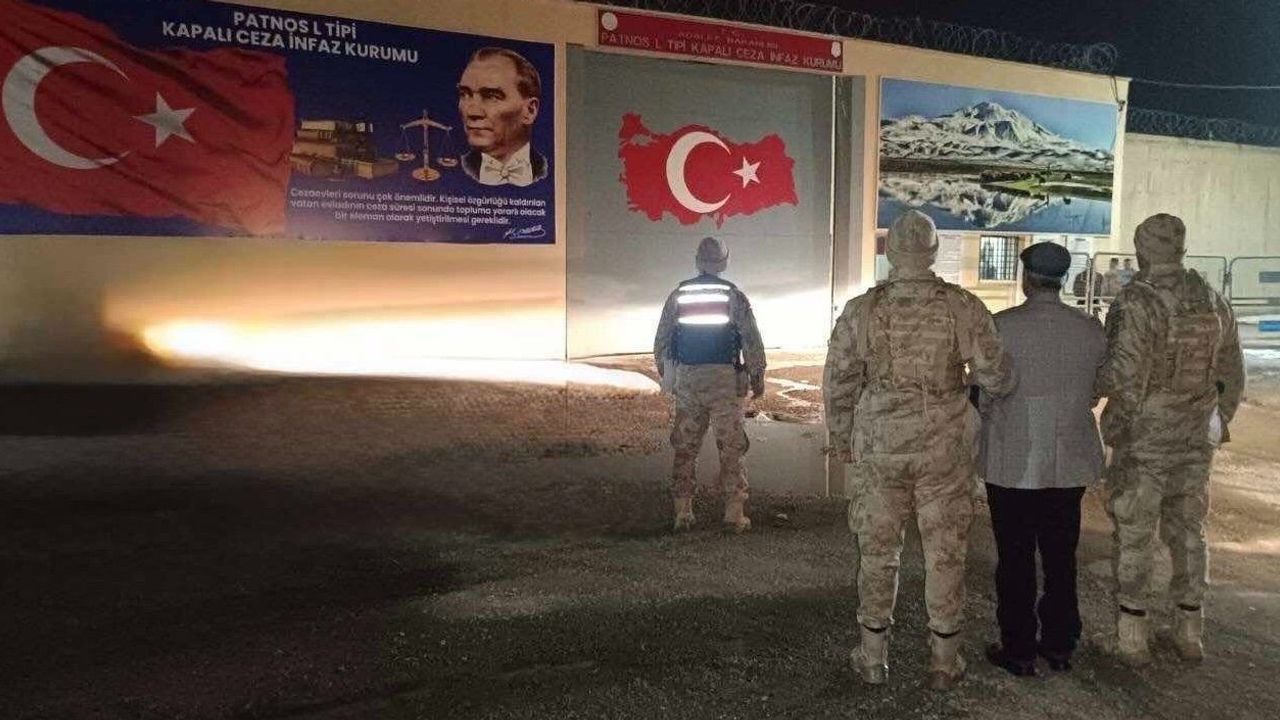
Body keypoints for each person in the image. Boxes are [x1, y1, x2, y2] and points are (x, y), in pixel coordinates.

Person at [824, 210, 1014, 689]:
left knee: (877, 550)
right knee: (945, 551)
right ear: (932, 252)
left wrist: (842, 438)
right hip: (943, 448)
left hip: (881, 446)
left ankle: (873, 656)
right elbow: (997, 377)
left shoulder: (862, 310)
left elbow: (839, 381)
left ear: (890, 252)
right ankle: (944, 661)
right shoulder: (962, 306)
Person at [1097, 213, 1244, 665]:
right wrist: (1215, 421)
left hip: (1146, 437)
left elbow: (1124, 378)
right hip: (1195, 436)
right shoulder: (1214, 300)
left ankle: (1132, 636)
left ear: (1142, 250)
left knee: (1136, 532)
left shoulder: (1136, 302)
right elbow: (1232, 374)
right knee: (1189, 531)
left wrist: (1114, 426)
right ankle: (1189, 630)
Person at [979, 243, 1107, 677]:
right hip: (1070, 461)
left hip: (1012, 460)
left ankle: (1018, 648)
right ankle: (1060, 644)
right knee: (1060, 555)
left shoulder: (1001, 327)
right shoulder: (1090, 329)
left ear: (1026, 278)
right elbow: (1098, 387)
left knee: (1015, 557)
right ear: (1064, 279)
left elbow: (987, 386)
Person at [654, 237, 765, 533]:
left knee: (685, 447)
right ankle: (733, 513)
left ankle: (683, 512)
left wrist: (669, 376)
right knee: (731, 446)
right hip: (725, 382)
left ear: (697, 260)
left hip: (689, 380)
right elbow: (751, 340)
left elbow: (662, 340)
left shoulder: (678, 295)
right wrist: (757, 377)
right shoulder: (734, 296)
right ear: (724, 262)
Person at [456, 47, 548, 187]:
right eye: (465, 94)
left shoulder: (547, 171)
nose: (472, 112)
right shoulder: (453, 171)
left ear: (530, 111)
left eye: (492, 96)